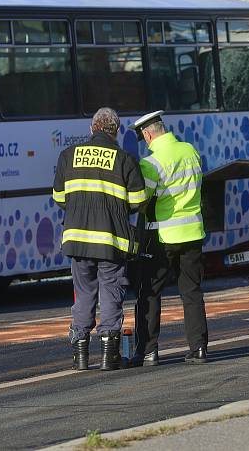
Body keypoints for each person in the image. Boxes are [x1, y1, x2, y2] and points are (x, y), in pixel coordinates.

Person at [52, 107, 146, 371]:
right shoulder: (124, 159)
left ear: (92, 128)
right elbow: (139, 201)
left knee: (83, 296)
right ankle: (109, 355)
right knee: (110, 293)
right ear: (115, 131)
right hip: (110, 241)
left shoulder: (68, 156)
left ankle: (80, 355)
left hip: (78, 240)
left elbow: (60, 199)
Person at [130, 110, 209, 366]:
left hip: (161, 235)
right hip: (193, 233)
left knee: (149, 293)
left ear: (148, 134)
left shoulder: (150, 163)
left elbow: (143, 201)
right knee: (192, 292)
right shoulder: (190, 151)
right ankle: (198, 349)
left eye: (145, 138)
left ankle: (148, 352)